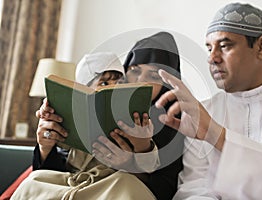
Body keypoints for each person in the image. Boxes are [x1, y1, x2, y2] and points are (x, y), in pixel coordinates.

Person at [12, 32, 184, 200]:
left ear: (168, 83)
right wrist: (45, 147)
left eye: (153, 75)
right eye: (134, 70)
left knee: (125, 183)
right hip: (74, 183)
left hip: (113, 188)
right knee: (33, 182)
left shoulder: (174, 123)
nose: (139, 80)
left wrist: (132, 165)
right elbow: (59, 168)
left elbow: (164, 190)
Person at [155, 3, 262, 200]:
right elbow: (194, 189)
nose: (212, 58)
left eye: (225, 46)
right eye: (209, 48)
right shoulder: (204, 112)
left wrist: (215, 134)